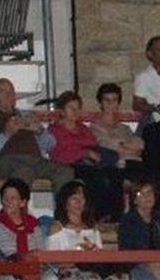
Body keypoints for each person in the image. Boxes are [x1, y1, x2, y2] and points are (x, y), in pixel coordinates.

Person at [0, 78, 71, 190]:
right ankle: (18, 206)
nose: (9, 95)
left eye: (11, 91)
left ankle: (63, 207)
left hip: (36, 161)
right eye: (3, 91)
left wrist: (40, 131)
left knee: (65, 171)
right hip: (6, 162)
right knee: (25, 171)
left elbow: (51, 145)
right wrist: (6, 134)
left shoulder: (26, 115)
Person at [47, 91, 123, 219]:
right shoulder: (54, 130)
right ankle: (97, 216)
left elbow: (93, 145)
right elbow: (57, 156)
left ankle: (115, 217)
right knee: (94, 176)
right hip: (70, 164)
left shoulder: (83, 129)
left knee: (114, 173)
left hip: (90, 161)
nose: (75, 111)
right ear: (62, 111)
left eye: (77, 108)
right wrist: (83, 152)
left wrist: (90, 153)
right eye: (71, 108)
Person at [89, 83, 148, 186]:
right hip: (112, 166)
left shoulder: (125, 128)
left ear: (118, 103)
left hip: (134, 163)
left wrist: (125, 146)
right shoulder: (94, 126)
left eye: (114, 100)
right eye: (106, 100)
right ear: (100, 103)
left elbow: (139, 145)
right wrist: (125, 145)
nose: (110, 103)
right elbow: (105, 144)